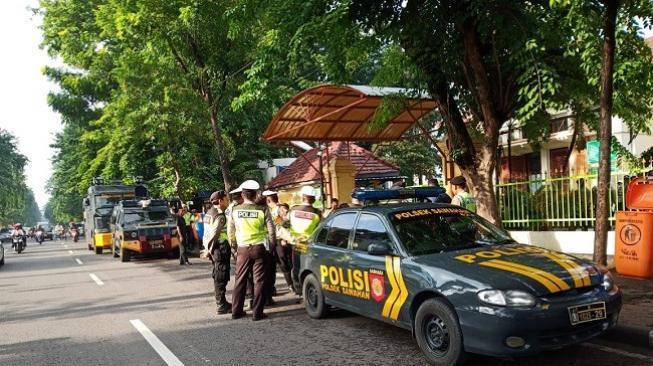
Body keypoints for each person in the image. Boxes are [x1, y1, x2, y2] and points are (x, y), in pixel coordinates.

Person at [228, 180, 276, 321]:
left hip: (242, 248)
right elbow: (271, 231)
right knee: (259, 281)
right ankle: (257, 313)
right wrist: (271, 247)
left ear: (242, 194)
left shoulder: (235, 210)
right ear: (255, 195)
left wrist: (234, 248)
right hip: (259, 248)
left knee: (240, 280)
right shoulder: (263, 210)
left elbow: (231, 231)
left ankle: (236, 311)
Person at [202, 190, 232, 315]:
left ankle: (222, 301)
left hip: (214, 249)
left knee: (218, 273)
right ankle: (221, 304)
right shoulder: (220, 216)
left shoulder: (209, 213)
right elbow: (214, 235)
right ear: (220, 201)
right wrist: (208, 250)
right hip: (220, 247)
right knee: (221, 275)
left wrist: (206, 248)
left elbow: (206, 234)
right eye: (226, 199)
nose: (228, 201)